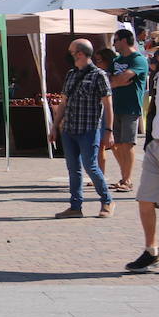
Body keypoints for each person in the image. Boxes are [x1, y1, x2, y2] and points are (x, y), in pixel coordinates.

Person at [49, 38, 114, 219]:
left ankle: (107, 201)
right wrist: (54, 126)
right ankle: (75, 206)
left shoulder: (99, 75)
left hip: (88, 129)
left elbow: (108, 105)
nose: (68, 55)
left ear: (80, 53)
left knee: (91, 166)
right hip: (69, 129)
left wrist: (108, 131)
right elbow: (63, 103)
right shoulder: (71, 74)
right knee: (73, 169)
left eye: (71, 52)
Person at [125, 43, 159, 273]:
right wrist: (149, 140)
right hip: (156, 146)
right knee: (145, 200)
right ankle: (152, 252)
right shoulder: (158, 78)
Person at [109, 28, 148, 192]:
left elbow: (125, 77)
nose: (114, 44)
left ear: (124, 40)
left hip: (130, 107)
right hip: (114, 106)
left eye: (115, 41)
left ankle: (127, 180)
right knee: (115, 144)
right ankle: (124, 177)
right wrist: (117, 81)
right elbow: (107, 81)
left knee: (127, 144)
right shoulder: (116, 60)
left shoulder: (138, 59)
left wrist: (117, 81)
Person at [92, 48, 116, 178]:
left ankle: (100, 174)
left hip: (105, 113)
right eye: (96, 61)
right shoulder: (99, 74)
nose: (97, 63)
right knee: (98, 147)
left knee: (103, 146)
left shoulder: (107, 75)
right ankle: (98, 174)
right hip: (98, 113)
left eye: (100, 61)